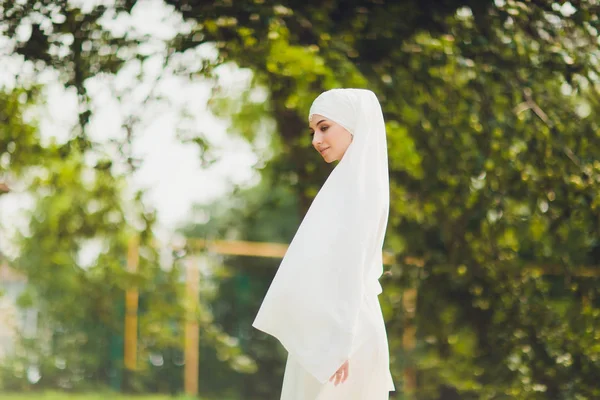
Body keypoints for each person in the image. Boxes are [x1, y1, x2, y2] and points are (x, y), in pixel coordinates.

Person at [253, 88, 394, 399]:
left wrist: (337, 342)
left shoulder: (358, 189)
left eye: (325, 127)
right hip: (331, 329)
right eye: (313, 130)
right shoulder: (348, 183)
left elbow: (350, 269)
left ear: (354, 123)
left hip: (342, 335)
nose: (315, 140)